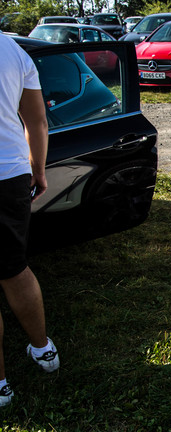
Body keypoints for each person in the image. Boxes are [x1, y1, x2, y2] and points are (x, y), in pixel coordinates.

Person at [0, 33, 60, 408]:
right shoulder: (15, 51)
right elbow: (37, 122)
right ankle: (44, 351)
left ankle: (1, 386)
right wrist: (38, 171)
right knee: (14, 268)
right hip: (10, 175)